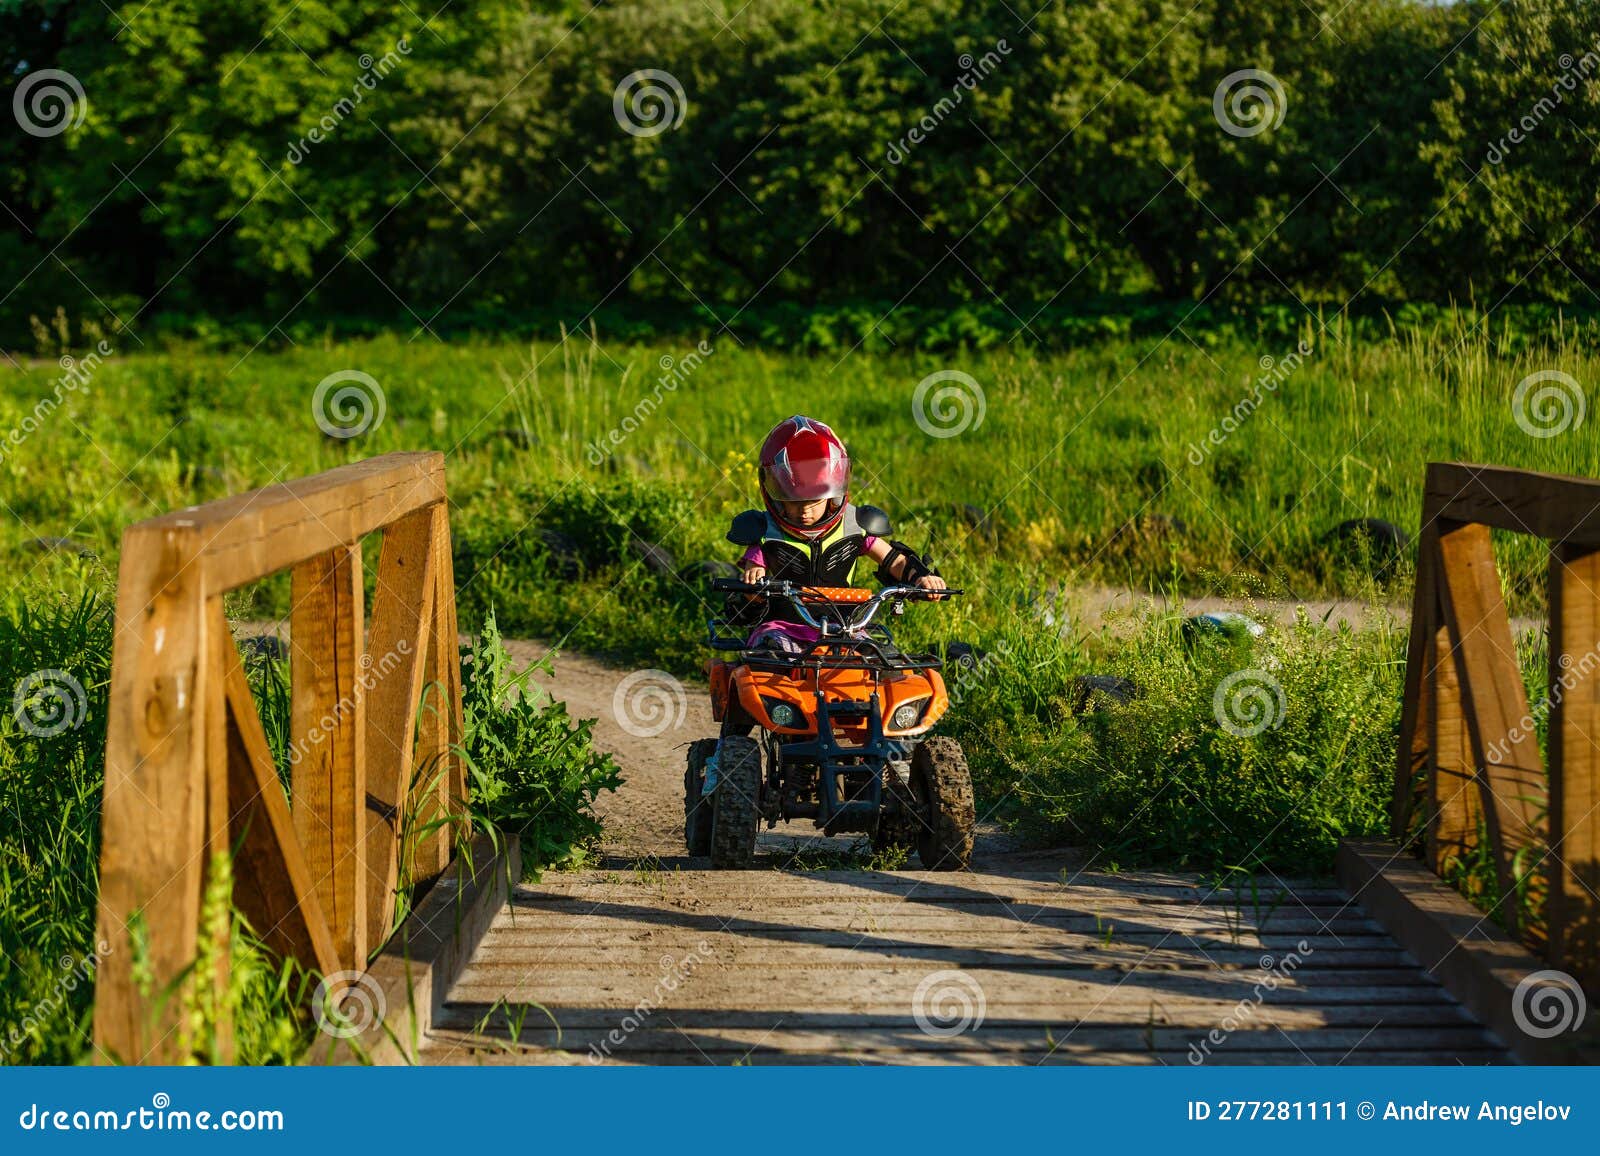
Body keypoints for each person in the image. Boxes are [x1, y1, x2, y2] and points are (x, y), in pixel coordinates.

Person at [725, 415, 947, 654]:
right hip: (781, 628)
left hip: (843, 628)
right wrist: (753, 589)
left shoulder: (854, 525)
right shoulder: (765, 533)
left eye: (814, 501)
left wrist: (922, 579)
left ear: (832, 494)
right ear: (776, 493)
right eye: (794, 502)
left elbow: (896, 561)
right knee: (774, 657)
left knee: (881, 659)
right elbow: (753, 572)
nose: (805, 511)